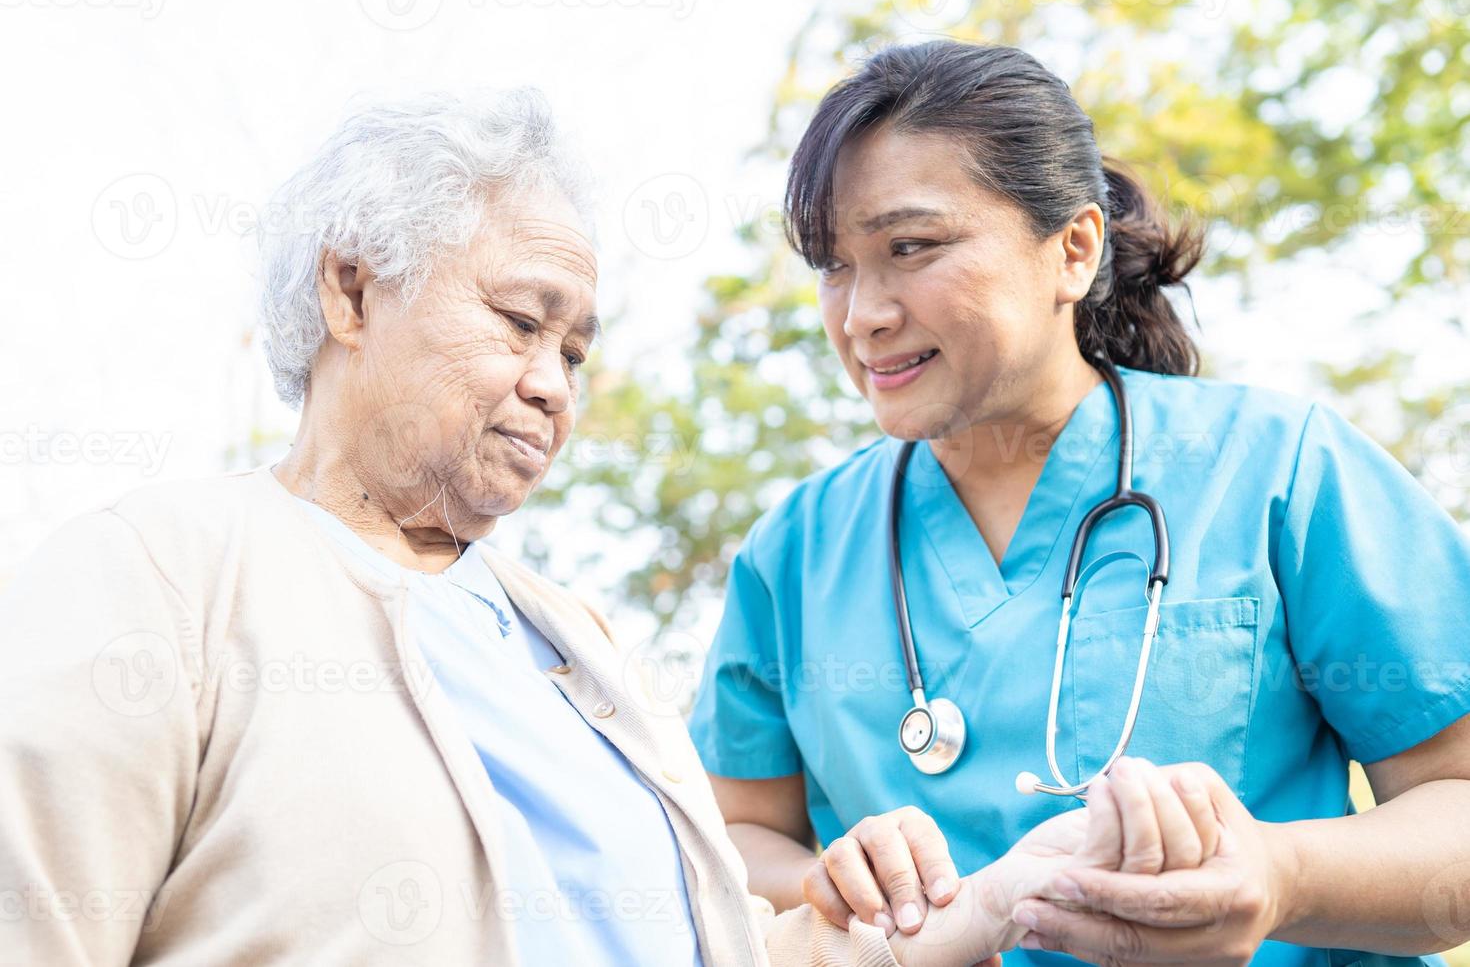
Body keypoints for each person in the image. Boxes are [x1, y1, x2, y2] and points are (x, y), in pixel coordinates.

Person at [0, 86, 1216, 967]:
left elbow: (738, 951)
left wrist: (1011, 888)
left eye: (575, 350)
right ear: (352, 288)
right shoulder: (160, 576)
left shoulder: (571, 643)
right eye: (522, 323)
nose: (552, 384)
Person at [689, 39, 1470, 965]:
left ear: (1073, 249)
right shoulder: (796, 551)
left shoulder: (1278, 470)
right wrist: (824, 882)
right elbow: (729, 838)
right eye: (832, 265)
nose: (862, 315)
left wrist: (1284, 874)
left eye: (912, 247)